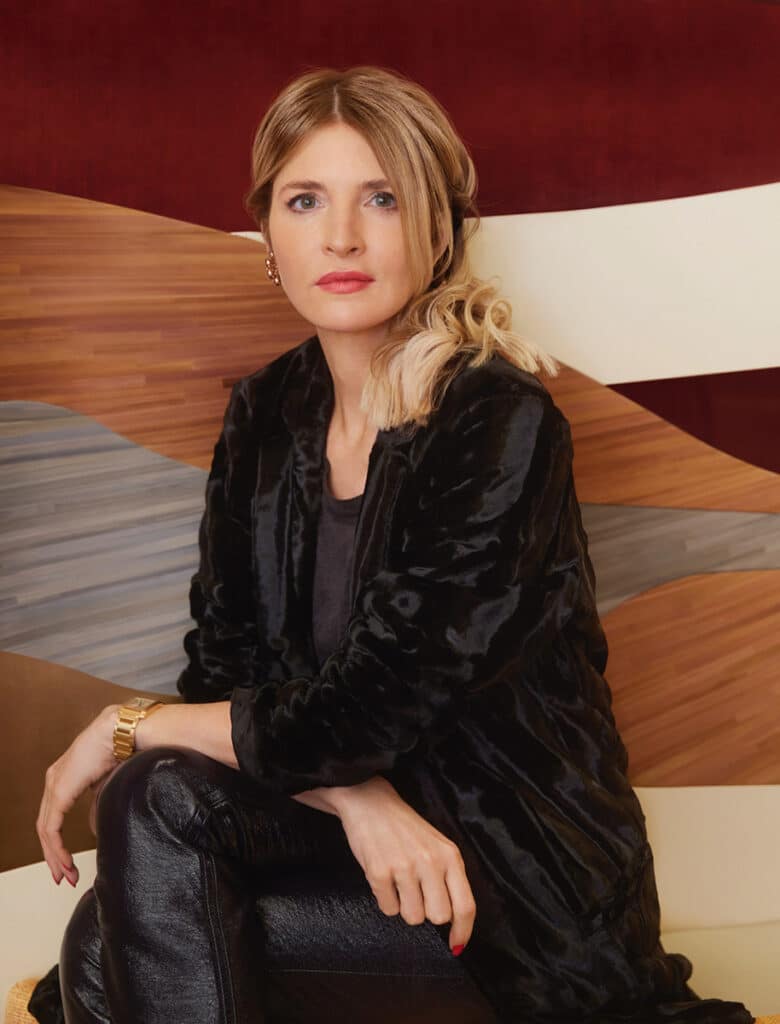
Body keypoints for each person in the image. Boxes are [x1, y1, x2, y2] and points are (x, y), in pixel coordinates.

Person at [30, 65, 755, 1024]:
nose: (341, 236)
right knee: (147, 843)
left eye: (382, 198)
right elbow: (227, 679)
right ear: (268, 234)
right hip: (364, 849)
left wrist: (130, 723)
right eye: (305, 200)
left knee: (114, 916)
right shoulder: (267, 414)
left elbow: (365, 711)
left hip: (507, 892)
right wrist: (358, 801)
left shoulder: (495, 420)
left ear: (438, 229)